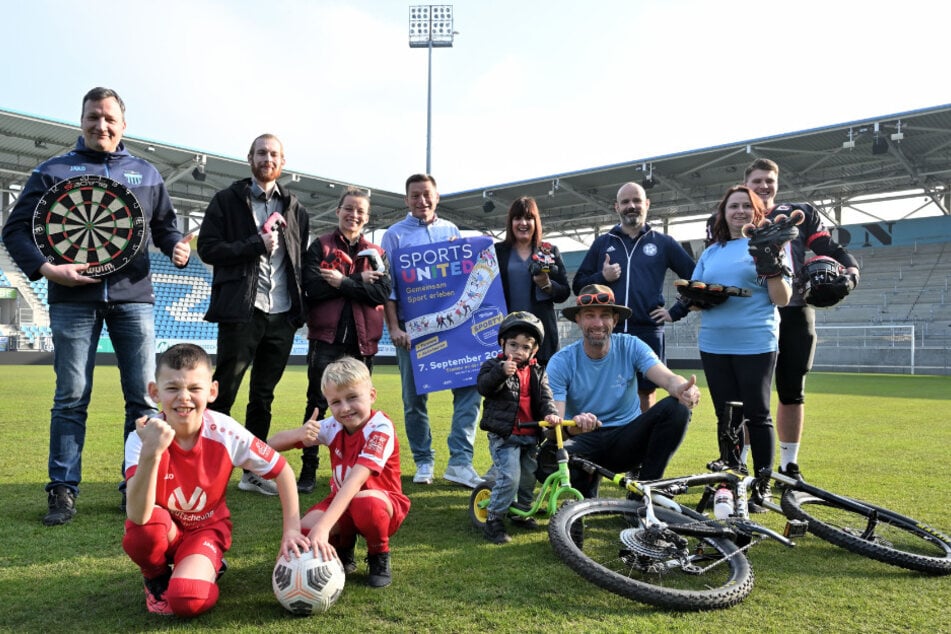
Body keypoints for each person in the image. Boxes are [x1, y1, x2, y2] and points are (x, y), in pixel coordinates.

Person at [1, 87, 192, 526]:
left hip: (133, 298)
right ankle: (63, 489)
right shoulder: (52, 171)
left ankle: (135, 483)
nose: (100, 126)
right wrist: (48, 270)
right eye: (93, 117)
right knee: (70, 396)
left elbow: (164, 228)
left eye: (109, 118)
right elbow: (14, 232)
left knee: (142, 402)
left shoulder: (146, 173)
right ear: (81, 121)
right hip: (72, 299)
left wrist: (175, 248)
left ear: (123, 125)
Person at [122, 343, 306, 617]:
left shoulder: (225, 431)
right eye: (172, 388)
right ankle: (156, 576)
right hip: (165, 529)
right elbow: (137, 514)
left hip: (205, 530)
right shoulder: (142, 436)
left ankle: (207, 565)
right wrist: (152, 451)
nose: (184, 398)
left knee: (186, 599)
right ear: (155, 392)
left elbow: (282, 470)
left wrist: (292, 530)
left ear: (212, 392)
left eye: (195, 388)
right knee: (143, 530)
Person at [713, 159, 861, 478]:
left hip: (792, 310)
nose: (764, 186)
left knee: (792, 391)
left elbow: (829, 248)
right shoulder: (733, 216)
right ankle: (743, 464)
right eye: (757, 181)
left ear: (776, 184)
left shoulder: (799, 213)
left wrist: (851, 274)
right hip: (750, 314)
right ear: (745, 184)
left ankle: (787, 464)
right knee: (749, 397)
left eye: (769, 181)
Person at [196, 133, 309, 496]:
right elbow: (208, 249)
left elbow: (299, 261)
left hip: (282, 314)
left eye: (274, 154)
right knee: (224, 392)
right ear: (249, 158)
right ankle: (206, 468)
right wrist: (253, 245)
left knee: (263, 396)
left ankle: (253, 471)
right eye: (261, 153)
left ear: (283, 161)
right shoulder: (227, 200)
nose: (267, 159)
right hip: (243, 310)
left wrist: (299, 311)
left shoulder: (295, 208)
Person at [543, 284, 701, 498]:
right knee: (546, 460)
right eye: (590, 315)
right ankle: (586, 490)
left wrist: (682, 388)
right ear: (578, 320)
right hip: (584, 438)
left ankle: (643, 492)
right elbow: (554, 429)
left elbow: (667, 377)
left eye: (605, 316)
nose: (598, 323)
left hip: (626, 438)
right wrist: (574, 428)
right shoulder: (561, 361)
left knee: (677, 409)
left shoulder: (631, 346)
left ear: (615, 320)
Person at [269, 357, 410, 588]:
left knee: (365, 506)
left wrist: (323, 527)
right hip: (341, 502)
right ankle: (343, 548)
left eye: (352, 397)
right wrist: (301, 433)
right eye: (335, 402)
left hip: (382, 504)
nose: (344, 408)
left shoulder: (380, 427)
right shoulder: (333, 426)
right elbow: (271, 444)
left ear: (372, 395)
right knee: (304, 533)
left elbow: (355, 482)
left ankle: (379, 554)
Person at [380, 174, 483, 488]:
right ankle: (424, 460)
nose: (421, 201)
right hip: (412, 334)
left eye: (427, 195)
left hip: (452, 330)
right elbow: (389, 289)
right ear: (406, 200)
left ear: (437, 197)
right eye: (415, 196)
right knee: (414, 400)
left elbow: (458, 281)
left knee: (469, 391)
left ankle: (460, 461)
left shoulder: (451, 231)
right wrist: (394, 327)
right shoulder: (393, 236)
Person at [694, 185, 792, 511]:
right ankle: (731, 482)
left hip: (755, 342)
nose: (739, 211)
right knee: (727, 416)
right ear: (723, 213)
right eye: (732, 206)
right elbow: (695, 294)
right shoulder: (711, 252)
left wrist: (771, 263)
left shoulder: (768, 243)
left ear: (756, 211)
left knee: (758, 415)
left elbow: (782, 298)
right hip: (714, 344)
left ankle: (762, 487)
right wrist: (701, 297)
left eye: (745, 206)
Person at [297, 187, 390, 494]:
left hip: (363, 342)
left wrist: (343, 282)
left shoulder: (376, 254)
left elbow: (380, 293)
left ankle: (356, 471)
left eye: (360, 211)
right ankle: (309, 470)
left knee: (359, 409)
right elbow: (311, 287)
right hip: (326, 339)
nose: (354, 215)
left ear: (367, 217)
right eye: (349, 208)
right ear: (338, 211)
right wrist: (356, 285)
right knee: (317, 404)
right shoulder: (321, 245)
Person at [572, 182, 695, 412]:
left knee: (646, 394)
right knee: (607, 392)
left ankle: (643, 446)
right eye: (626, 202)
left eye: (637, 200)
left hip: (648, 331)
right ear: (616, 206)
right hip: (610, 331)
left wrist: (676, 311)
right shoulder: (603, 243)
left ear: (647, 204)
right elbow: (578, 284)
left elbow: (695, 279)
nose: (632, 206)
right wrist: (602, 276)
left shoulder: (663, 242)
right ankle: (610, 443)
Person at [476, 312, 558, 544]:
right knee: (510, 477)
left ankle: (521, 512)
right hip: (505, 434)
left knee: (528, 477)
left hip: (530, 434)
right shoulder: (494, 365)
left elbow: (545, 398)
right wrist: (500, 372)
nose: (518, 351)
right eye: (513, 345)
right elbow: (484, 387)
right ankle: (494, 518)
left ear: (534, 350)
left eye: (525, 347)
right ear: (502, 343)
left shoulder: (537, 371)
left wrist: (550, 413)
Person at [493, 197, 571, 364]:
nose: (523, 223)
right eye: (517, 218)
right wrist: (456, 246)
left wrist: (548, 286)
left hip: (540, 338)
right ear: (510, 222)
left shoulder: (549, 251)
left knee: (541, 388)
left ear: (536, 222)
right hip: (508, 337)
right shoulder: (497, 252)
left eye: (529, 218)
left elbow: (564, 292)